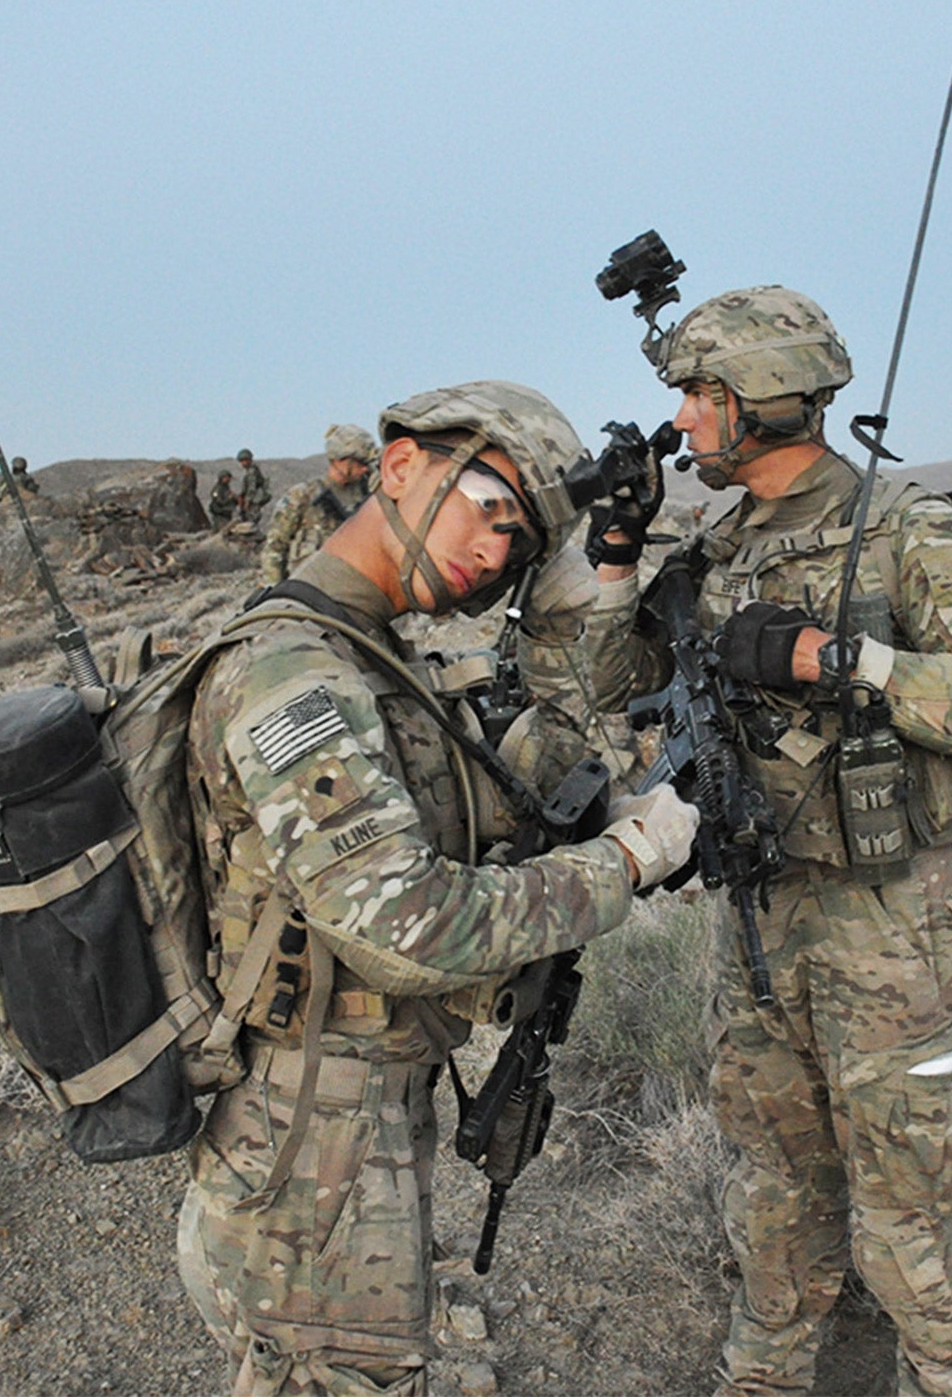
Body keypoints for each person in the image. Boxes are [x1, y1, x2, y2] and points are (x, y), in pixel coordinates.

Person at [178, 379, 700, 1397]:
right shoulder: (294, 673)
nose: (496, 553)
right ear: (400, 464)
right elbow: (401, 926)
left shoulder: (376, 657)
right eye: (491, 509)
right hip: (311, 1139)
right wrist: (626, 864)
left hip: (348, 1107)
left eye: (522, 541)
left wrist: (573, 592)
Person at [590, 287, 952, 1397]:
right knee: (772, 1190)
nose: (683, 421)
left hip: (890, 933)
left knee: (917, 1223)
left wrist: (839, 665)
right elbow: (610, 688)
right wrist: (611, 559)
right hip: (755, 921)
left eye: (698, 395)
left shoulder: (904, 533)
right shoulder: (712, 545)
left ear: (763, 400)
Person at [258, 423, 378, 585]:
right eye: (360, 462)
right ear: (339, 459)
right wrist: (272, 589)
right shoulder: (302, 496)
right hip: (307, 591)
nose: (365, 469)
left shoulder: (369, 497)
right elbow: (275, 547)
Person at [236, 447, 272, 524]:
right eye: (242, 461)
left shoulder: (252, 472)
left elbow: (251, 488)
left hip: (254, 500)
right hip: (252, 499)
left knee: (250, 521)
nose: (243, 463)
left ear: (249, 460)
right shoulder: (249, 471)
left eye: (245, 460)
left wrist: (247, 502)